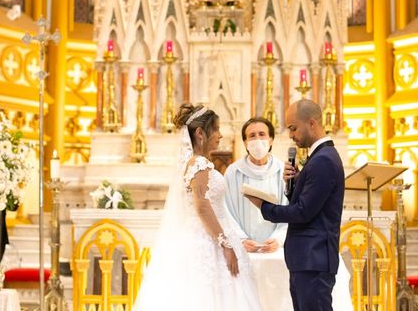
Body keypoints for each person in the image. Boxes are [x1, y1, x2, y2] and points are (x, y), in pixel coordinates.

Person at [133, 103, 262, 311]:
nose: (220, 135)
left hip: (205, 235)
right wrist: (225, 244)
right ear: (200, 133)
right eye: (217, 129)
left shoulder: (195, 163)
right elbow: (202, 207)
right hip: (208, 241)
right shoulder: (198, 164)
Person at [245, 99, 345, 311]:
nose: (290, 135)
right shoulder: (319, 157)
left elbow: (303, 212)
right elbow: (308, 203)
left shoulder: (324, 160)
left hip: (314, 258)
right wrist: (296, 183)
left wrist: (263, 206)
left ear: (311, 123)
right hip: (308, 258)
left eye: (293, 128)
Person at [224, 117, 288, 253]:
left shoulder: (283, 171)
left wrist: (278, 239)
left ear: (271, 139)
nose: (257, 140)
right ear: (245, 142)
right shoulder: (233, 172)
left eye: (262, 134)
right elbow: (226, 210)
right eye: (252, 136)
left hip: (275, 249)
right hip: (243, 249)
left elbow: (289, 209)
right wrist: (241, 240)